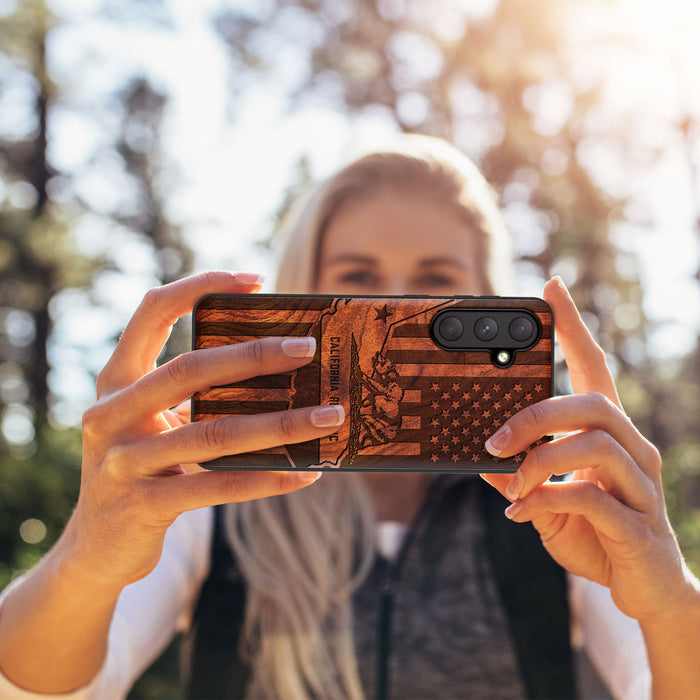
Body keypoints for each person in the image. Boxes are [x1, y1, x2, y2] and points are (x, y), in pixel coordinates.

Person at [0, 135, 699, 700]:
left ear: (487, 300)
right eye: (358, 279)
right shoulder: (211, 495)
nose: (395, 308)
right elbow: (47, 688)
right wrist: (87, 558)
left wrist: (670, 602)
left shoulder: (554, 501)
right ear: (304, 290)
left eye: (434, 281)